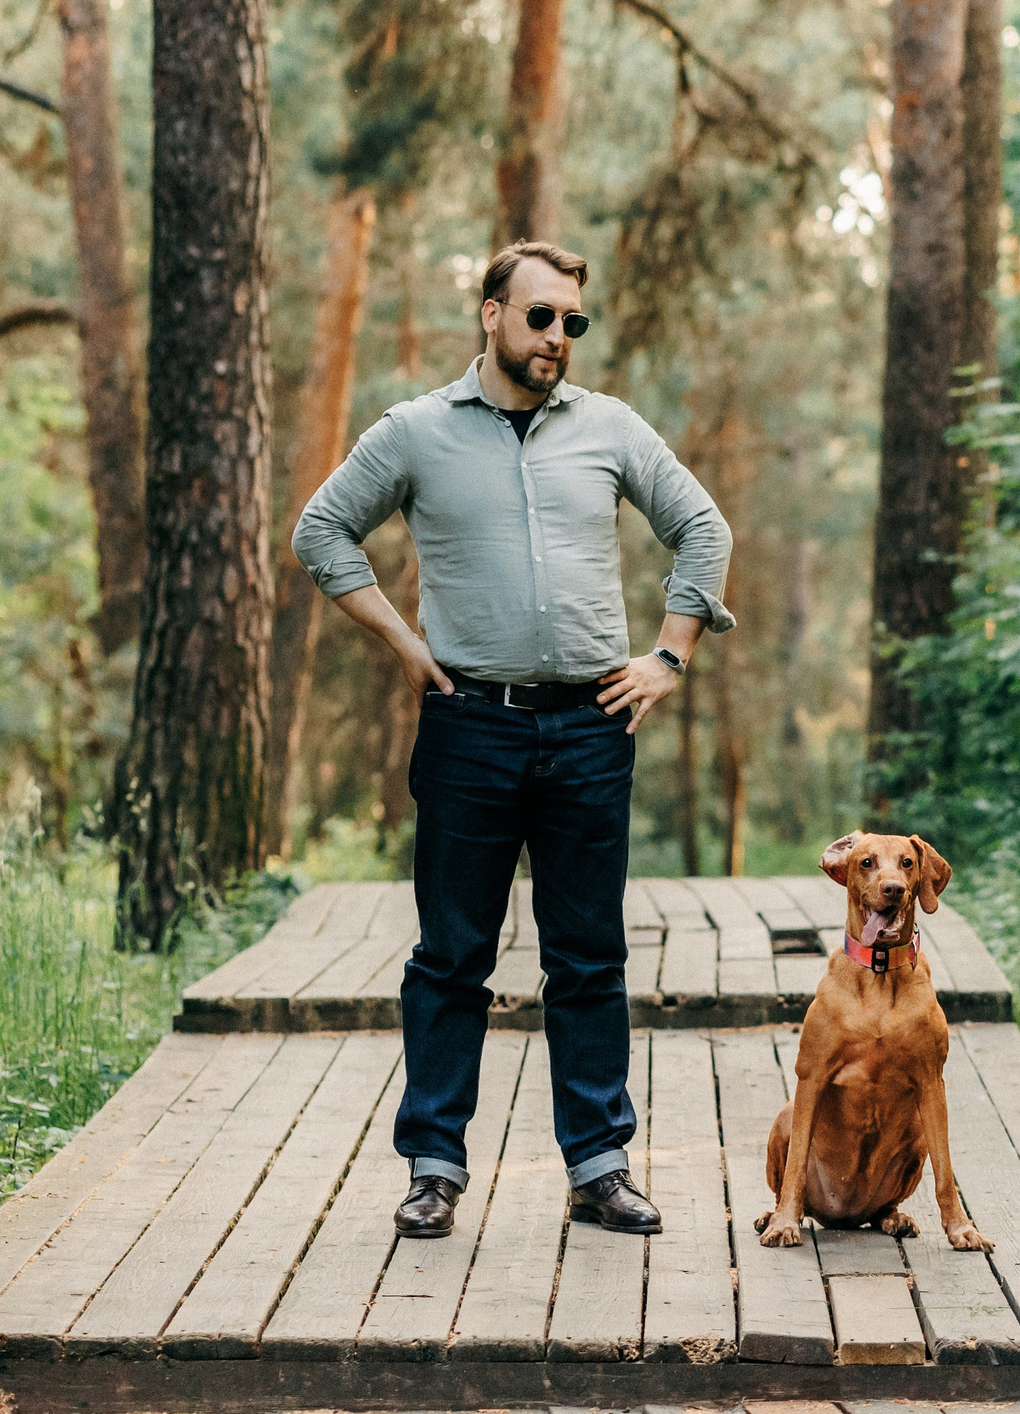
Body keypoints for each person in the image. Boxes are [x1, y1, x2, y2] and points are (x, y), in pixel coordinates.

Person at [291, 239, 733, 1239]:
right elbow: (321, 531)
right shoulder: (414, 432)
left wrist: (668, 657)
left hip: (590, 726)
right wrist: (403, 643)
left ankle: (598, 1168)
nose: (558, 338)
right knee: (452, 955)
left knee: (587, 958)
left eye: (573, 322)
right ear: (490, 315)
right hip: (467, 731)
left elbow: (702, 527)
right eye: (540, 317)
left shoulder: (610, 429)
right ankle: (434, 1168)